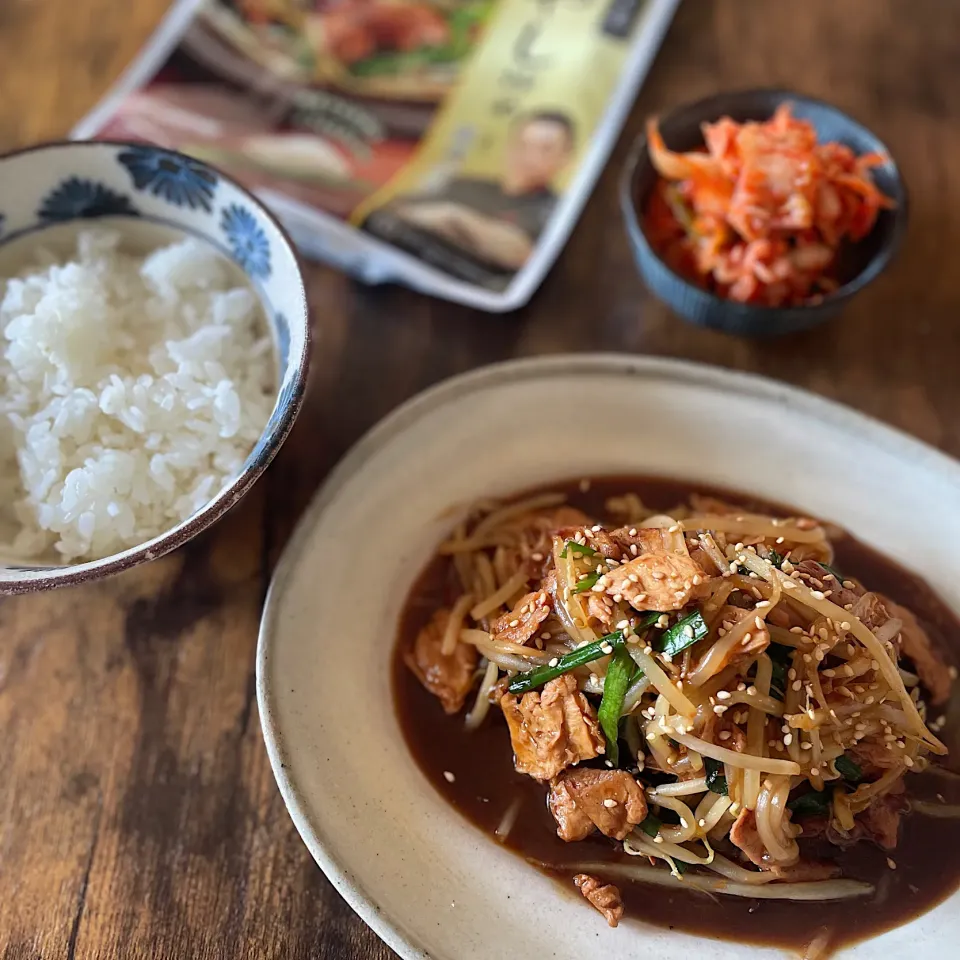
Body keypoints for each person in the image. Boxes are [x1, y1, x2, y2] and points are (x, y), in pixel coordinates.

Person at [392, 110, 576, 271]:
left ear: (565, 158)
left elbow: (525, 255)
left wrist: (456, 218)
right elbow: (399, 208)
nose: (528, 156)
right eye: (522, 145)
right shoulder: (464, 185)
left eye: (545, 149)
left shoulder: (559, 211)